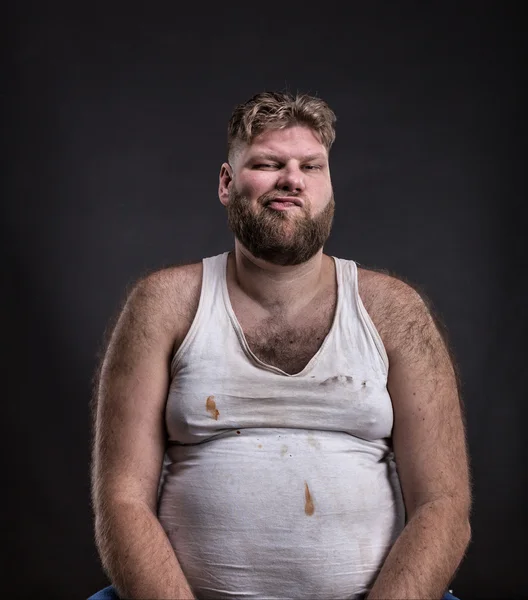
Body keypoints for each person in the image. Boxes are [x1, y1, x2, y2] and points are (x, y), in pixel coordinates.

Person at [88, 91, 471, 600]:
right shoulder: (163, 304)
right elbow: (121, 500)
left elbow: (443, 505)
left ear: (329, 187)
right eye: (269, 163)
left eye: (311, 166)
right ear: (227, 183)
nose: (293, 179)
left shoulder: (395, 311)